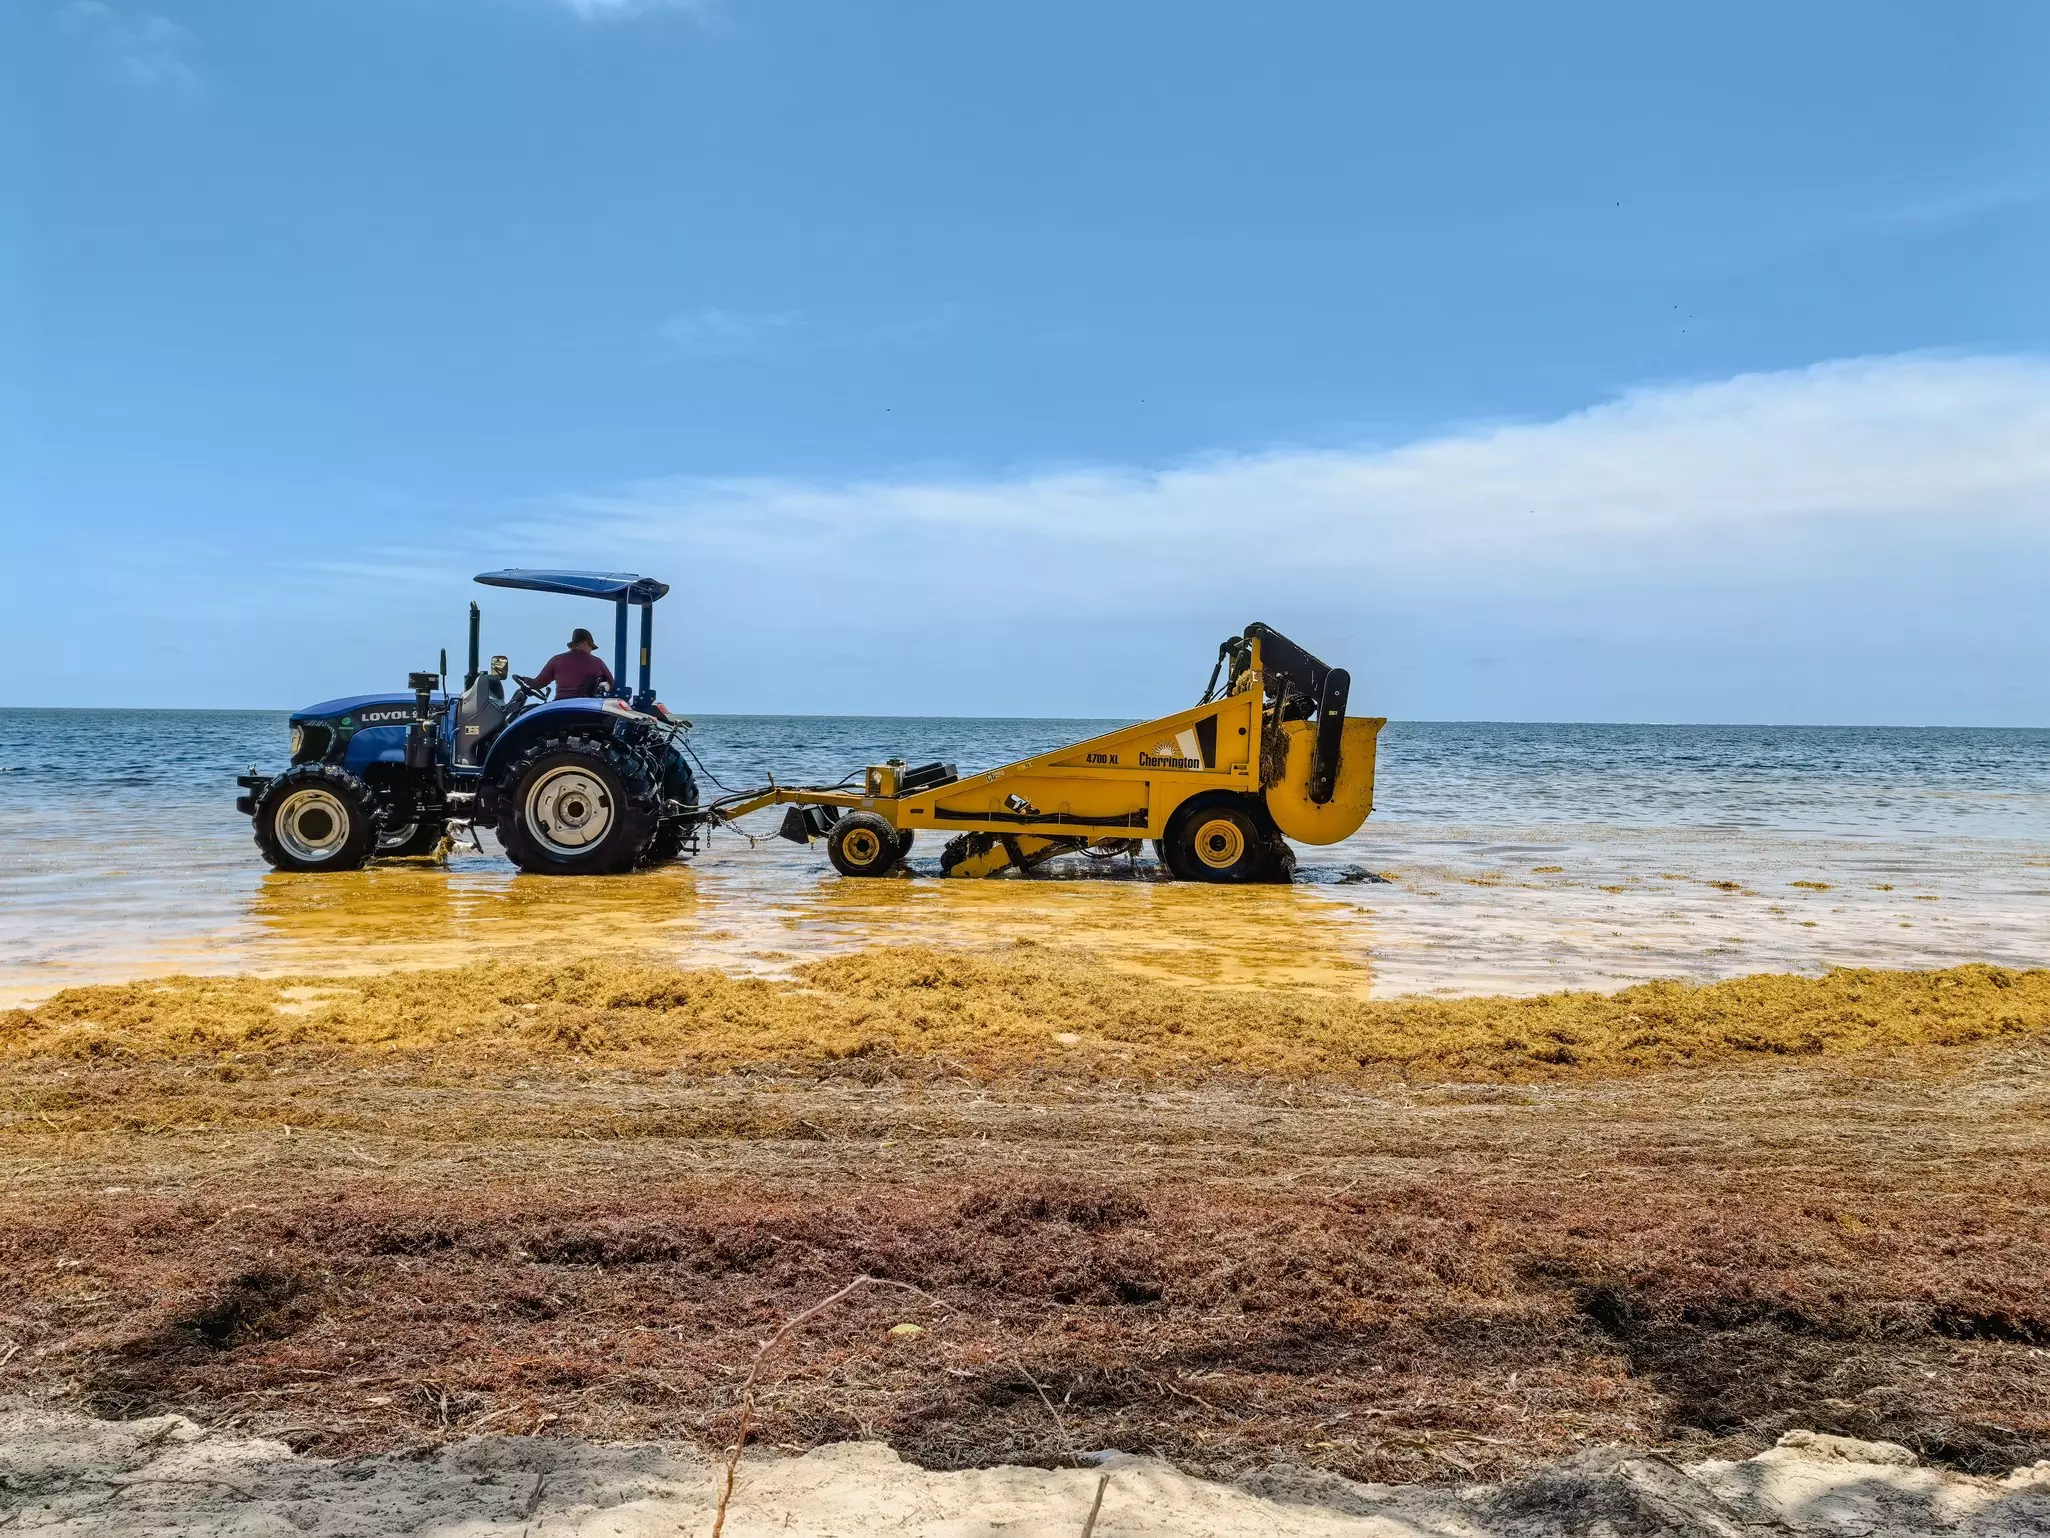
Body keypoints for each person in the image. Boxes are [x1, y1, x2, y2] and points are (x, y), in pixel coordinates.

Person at [532, 628, 615, 699]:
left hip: (560, 706)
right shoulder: (598, 663)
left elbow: (538, 683)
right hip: (588, 708)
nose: (590, 650)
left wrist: (527, 682)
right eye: (591, 646)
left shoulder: (557, 660)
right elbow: (613, 685)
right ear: (584, 643)